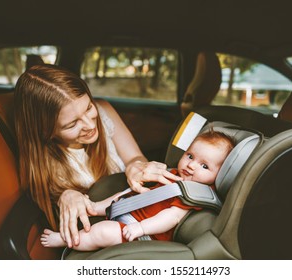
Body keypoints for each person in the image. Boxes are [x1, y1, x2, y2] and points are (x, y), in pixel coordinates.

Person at [14, 64, 182, 248]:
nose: (90, 125)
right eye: (72, 124)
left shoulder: (103, 110)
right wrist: (67, 195)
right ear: (46, 131)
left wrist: (136, 167)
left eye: (88, 108)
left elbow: (135, 157)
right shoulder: (45, 160)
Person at [40, 130, 234, 250]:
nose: (191, 166)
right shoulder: (175, 173)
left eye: (205, 166)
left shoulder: (194, 193)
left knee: (102, 232)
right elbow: (135, 193)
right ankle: (96, 206)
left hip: (145, 232)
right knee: (124, 193)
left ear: (220, 175)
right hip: (131, 211)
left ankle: (67, 240)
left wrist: (141, 228)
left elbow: (171, 217)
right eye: (190, 156)